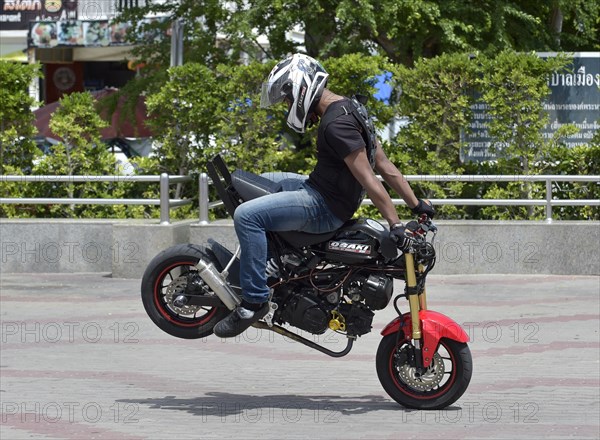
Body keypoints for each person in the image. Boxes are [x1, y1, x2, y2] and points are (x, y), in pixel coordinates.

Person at [214, 53, 434, 338]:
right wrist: (417, 206)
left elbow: (368, 176)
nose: (287, 106)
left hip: (322, 207)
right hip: (316, 189)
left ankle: (253, 300)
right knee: (254, 183)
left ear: (299, 88)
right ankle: (270, 264)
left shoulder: (335, 124)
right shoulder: (352, 108)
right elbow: (385, 164)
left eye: (286, 99)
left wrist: (395, 225)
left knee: (247, 215)